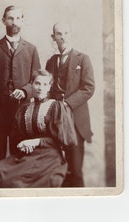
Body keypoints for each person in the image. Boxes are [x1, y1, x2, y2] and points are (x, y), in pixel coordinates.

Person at [0, 69, 78, 188]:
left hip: (49, 157)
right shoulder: (24, 109)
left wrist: (36, 142)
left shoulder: (56, 107)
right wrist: (22, 144)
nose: (40, 88)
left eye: (45, 84)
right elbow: (16, 138)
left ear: (49, 87)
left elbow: (66, 140)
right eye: (37, 83)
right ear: (31, 84)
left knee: (15, 184)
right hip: (26, 156)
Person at [0, 5, 41, 164]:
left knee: (19, 158)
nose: (15, 22)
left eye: (18, 18)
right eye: (11, 18)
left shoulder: (31, 49)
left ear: (23, 21)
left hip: (21, 114)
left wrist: (25, 91)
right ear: (4, 21)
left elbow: (37, 81)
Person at [45, 22, 95, 187]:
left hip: (75, 122)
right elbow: (47, 89)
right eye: (59, 34)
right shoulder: (51, 62)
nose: (63, 37)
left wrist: (66, 104)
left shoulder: (83, 58)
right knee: (57, 170)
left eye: (66, 33)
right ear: (54, 38)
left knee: (75, 170)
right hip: (55, 122)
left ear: (71, 35)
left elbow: (88, 88)